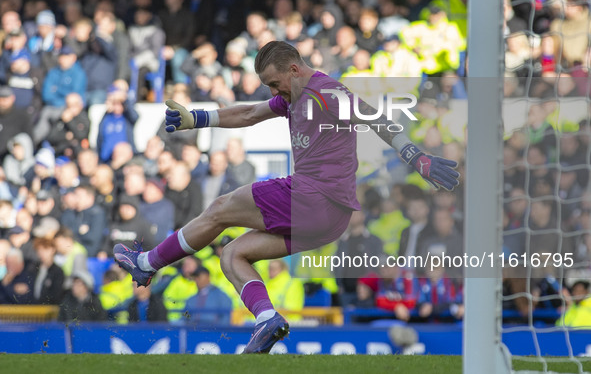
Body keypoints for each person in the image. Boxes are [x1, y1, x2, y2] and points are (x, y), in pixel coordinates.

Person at [114, 41, 460, 354]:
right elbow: (250, 113)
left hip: (314, 196)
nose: (273, 90)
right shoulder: (292, 95)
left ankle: (147, 264)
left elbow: (376, 118)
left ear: (294, 70)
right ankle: (266, 320)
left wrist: (417, 157)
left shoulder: (326, 90)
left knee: (220, 209)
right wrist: (198, 118)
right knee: (233, 254)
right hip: (328, 219)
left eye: (274, 82)